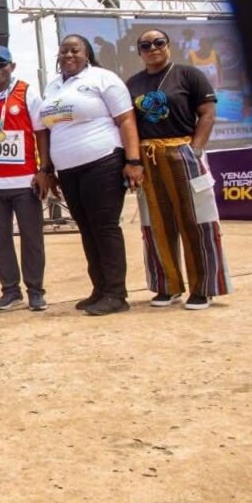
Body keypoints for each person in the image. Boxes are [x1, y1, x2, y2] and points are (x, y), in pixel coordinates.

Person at [38, 34, 143, 315]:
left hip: (103, 161)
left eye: (75, 50)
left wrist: (133, 160)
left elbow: (126, 119)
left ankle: (116, 294)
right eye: (64, 51)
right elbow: (47, 129)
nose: (68, 55)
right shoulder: (52, 86)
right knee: (86, 228)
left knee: (105, 227)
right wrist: (48, 169)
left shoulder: (103, 78)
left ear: (87, 54)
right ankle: (100, 289)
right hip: (68, 170)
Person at [126, 29, 231, 309]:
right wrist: (133, 160)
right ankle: (167, 286)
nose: (152, 48)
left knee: (197, 221)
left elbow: (207, 114)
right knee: (155, 224)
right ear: (139, 52)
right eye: (145, 45)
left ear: (168, 45)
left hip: (182, 151)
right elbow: (130, 124)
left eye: (158, 42)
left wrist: (194, 149)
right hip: (148, 156)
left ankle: (203, 289)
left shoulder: (188, 75)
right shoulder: (133, 83)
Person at [0, 46, 53, 312]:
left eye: (1, 65)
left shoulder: (27, 92)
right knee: (1, 239)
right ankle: (10, 291)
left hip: (25, 180)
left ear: (12, 66)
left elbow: (41, 133)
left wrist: (44, 169)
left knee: (32, 238)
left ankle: (35, 291)